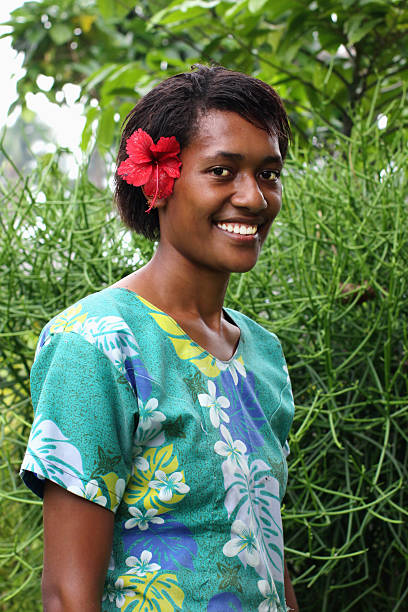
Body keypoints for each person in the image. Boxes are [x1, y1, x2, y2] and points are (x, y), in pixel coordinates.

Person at [20, 64, 299, 612]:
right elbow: (66, 594)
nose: (254, 197)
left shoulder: (263, 353)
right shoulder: (98, 344)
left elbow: (264, 547)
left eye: (269, 173)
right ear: (158, 181)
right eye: (222, 171)